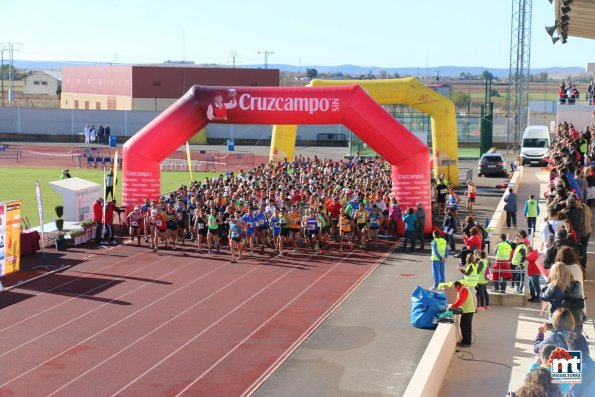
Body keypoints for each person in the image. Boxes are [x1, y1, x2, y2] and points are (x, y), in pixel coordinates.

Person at [540, 263, 584, 329]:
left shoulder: (553, 287)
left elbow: (543, 297)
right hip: (576, 320)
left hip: (559, 322)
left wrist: (548, 282)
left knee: (556, 338)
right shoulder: (577, 284)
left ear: (554, 273)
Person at [448, 280, 475, 348]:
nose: (455, 290)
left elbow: (460, 300)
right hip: (466, 311)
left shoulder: (463, 289)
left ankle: (467, 342)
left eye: (455, 288)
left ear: (457, 285)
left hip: (468, 311)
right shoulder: (462, 289)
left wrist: (452, 306)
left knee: (466, 327)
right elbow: (459, 300)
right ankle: (464, 341)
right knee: (463, 326)